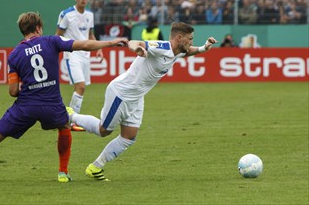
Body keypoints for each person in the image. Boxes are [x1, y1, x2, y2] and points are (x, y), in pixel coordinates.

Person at [0, 12, 128, 183]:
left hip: (26, 106)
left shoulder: (14, 55)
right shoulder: (51, 41)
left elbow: (13, 91)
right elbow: (85, 44)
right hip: (52, 105)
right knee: (64, 126)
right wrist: (110, 42)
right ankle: (63, 173)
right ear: (38, 28)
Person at [67, 22, 218, 181]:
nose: (192, 42)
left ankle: (95, 167)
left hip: (137, 98)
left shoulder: (179, 50)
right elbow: (135, 42)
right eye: (190, 38)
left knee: (129, 137)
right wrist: (136, 48)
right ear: (179, 38)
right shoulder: (161, 46)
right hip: (121, 93)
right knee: (104, 130)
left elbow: (188, 52)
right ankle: (71, 115)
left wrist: (203, 48)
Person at [56, 0, 103, 131]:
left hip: (85, 55)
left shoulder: (90, 15)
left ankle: (69, 119)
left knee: (82, 89)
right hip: (72, 55)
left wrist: (99, 48)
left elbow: (90, 35)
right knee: (80, 86)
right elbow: (57, 35)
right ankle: (71, 121)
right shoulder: (66, 14)